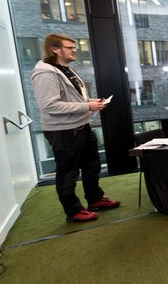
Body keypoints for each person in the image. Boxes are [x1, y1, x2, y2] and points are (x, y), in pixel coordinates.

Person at [31, 33, 120, 222]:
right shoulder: (45, 73)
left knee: (92, 166)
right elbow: (49, 105)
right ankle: (73, 211)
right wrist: (87, 106)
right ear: (55, 49)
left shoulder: (67, 69)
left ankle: (95, 200)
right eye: (70, 47)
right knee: (68, 173)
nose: (75, 50)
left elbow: (74, 99)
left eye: (74, 47)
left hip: (82, 126)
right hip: (63, 131)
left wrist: (91, 102)